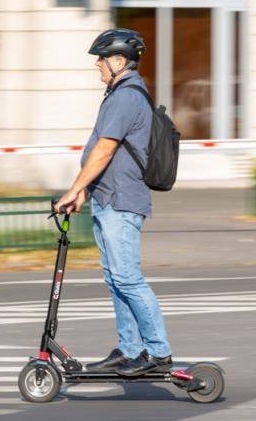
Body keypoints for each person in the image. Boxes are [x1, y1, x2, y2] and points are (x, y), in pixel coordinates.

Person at [54, 28, 172, 377]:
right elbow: (110, 152)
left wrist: (75, 188)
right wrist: (87, 190)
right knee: (115, 278)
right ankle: (130, 348)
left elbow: (105, 148)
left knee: (128, 278)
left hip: (122, 200)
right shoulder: (121, 93)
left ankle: (158, 352)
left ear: (119, 61)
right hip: (109, 196)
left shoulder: (126, 96)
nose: (98, 66)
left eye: (101, 60)